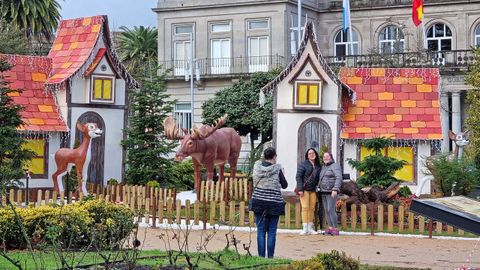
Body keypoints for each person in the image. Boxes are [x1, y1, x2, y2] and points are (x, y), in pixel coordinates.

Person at [250, 147, 288, 258]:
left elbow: (254, 181)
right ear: (274, 157)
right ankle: (270, 257)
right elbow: (285, 185)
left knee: (260, 231)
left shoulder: (256, 167)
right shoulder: (277, 169)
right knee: (272, 231)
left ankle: (261, 257)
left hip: (258, 201)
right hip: (273, 203)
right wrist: (282, 173)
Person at [295, 148, 321, 235]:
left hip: (313, 190)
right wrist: (300, 189)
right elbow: (298, 177)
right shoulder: (303, 164)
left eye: (313, 153)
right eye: (309, 153)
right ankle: (305, 228)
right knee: (305, 208)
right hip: (304, 190)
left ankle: (310, 228)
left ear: (316, 154)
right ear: (307, 155)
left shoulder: (318, 165)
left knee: (312, 208)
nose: (311, 154)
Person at [317, 151, 343, 236]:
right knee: (327, 211)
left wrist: (335, 189)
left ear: (331, 157)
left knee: (331, 210)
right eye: (324, 157)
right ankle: (330, 228)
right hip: (323, 191)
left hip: (331, 191)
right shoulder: (324, 167)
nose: (325, 158)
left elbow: (338, 177)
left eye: (327, 157)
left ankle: (335, 228)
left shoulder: (335, 165)